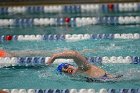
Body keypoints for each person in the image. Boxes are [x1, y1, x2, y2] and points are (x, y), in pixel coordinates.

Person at [47, 50, 122, 81]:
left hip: (112, 79)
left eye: (66, 67)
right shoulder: (78, 76)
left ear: (72, 65)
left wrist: (55, 56)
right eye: (65, 72)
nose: (67, 70)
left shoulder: (83, 68)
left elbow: (74, 54)